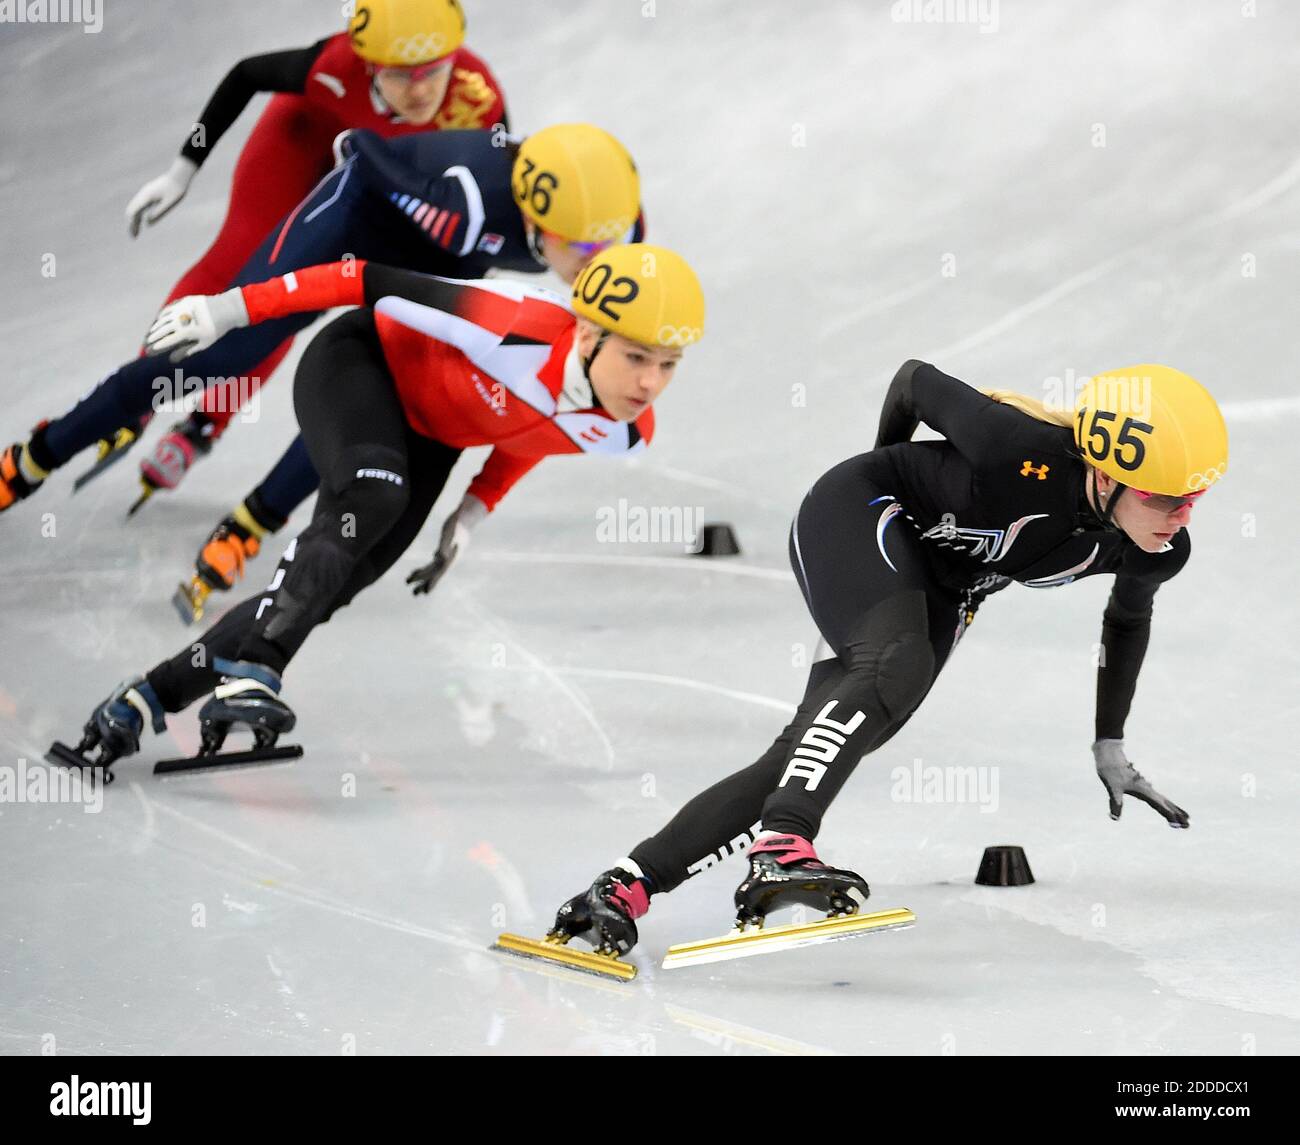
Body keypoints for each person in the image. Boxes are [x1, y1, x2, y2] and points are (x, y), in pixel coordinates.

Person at [534, 361, 1229, 959]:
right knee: (894, 667)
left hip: (943, 586)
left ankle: (622, 885)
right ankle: (781, 846)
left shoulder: (1155, 546)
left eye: (1195, 497)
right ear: (1106, 472)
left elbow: (1127, 620)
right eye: (1166, 497)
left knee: (817, 748)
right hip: (862, 512)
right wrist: (881, 473)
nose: (1182, 515)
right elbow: (913, 381)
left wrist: (1109, 743)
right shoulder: (1017, 449)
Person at [54, 242, 706, 772]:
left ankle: (145, 699)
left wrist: (470, 514)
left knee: (330, 585)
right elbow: (359, 276)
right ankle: (258, 668)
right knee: (374, 495)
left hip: (433, 439)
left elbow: (533, 436)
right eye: (637, 357)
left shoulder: (623, 427)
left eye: (669, 364)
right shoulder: (507, 320)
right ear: (588, 333)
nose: (651, 383)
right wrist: (227, 311)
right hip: (361, 362)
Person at [0, 124, 641, 524]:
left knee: (380, 390)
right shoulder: (464, 201)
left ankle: (254, 523)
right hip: (352, 223)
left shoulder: (608, 227)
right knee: (222, 358)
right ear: (536, 220)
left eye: (608, 244)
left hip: (430, 260)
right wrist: (229, 304)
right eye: (584, 249)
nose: (598, 262)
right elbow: (359, 148)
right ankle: (36, 455)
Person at [6, 0, 506, 502]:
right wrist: (183, 169)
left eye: (434, 70)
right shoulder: (333, 67)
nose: (419, 90)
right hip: (300, 142)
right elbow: (246, 75)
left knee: (287, 300)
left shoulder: (478, 101)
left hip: (372, 182)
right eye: (401, 75)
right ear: (370, 64)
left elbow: (494, 200)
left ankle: (207, 421)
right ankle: (143, 394)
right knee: (235, 263)